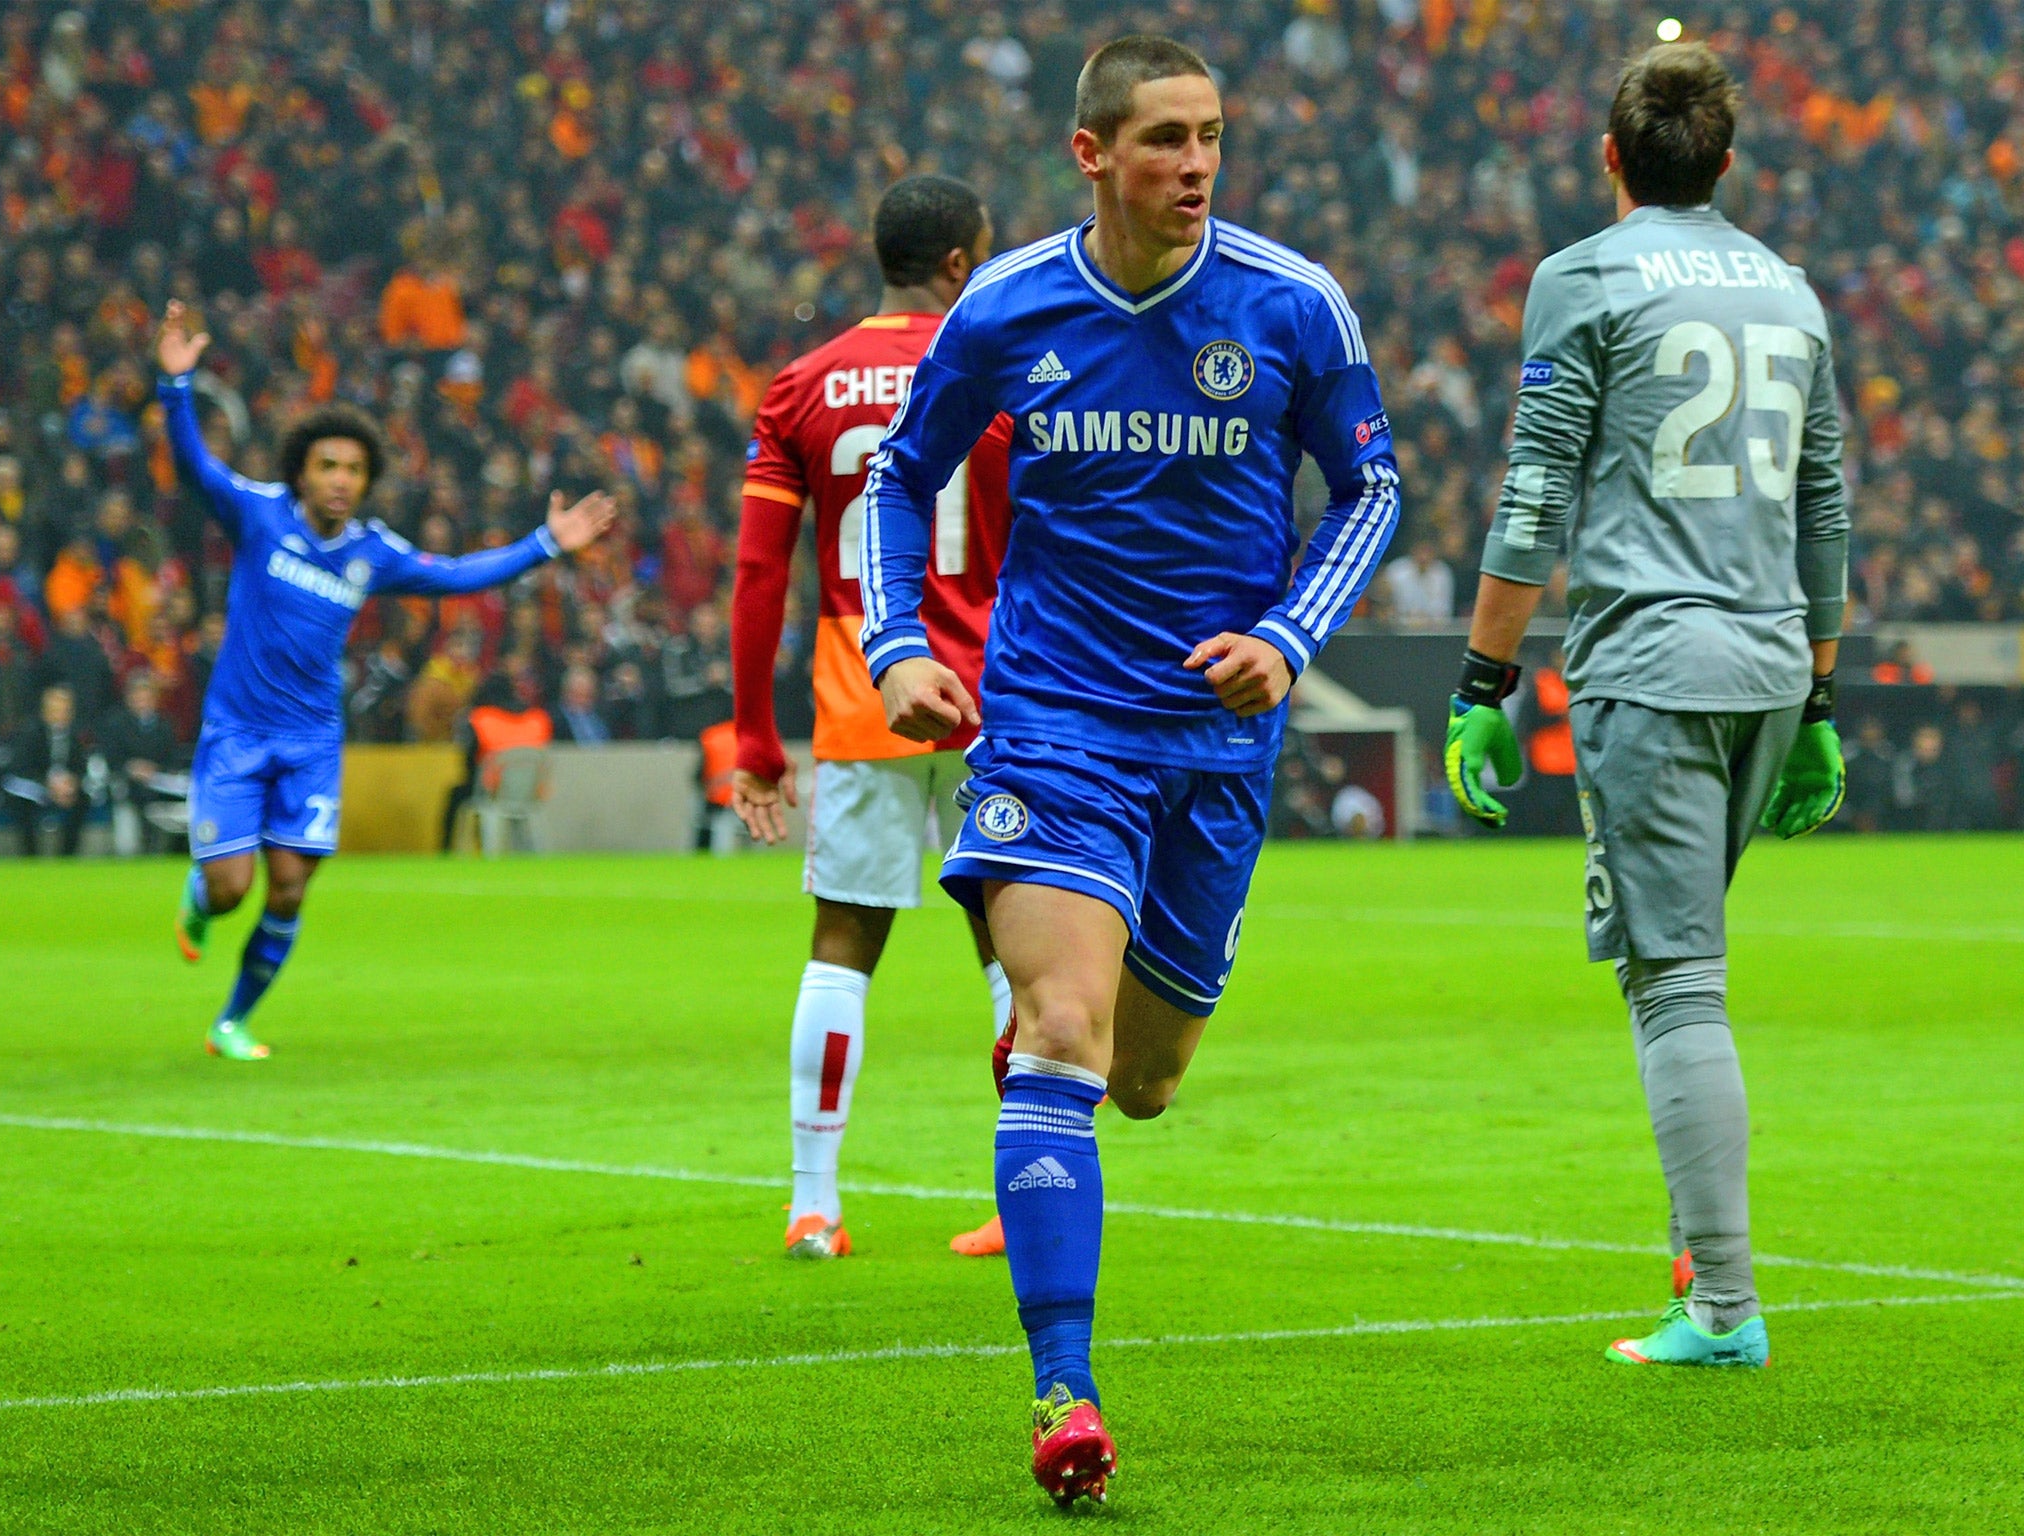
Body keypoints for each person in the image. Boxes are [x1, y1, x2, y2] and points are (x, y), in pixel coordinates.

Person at [861, 39, 1398, 1504]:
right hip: (1051, 724)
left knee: (1146, 1082)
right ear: (1092, 153)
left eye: (1213, 136)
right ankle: (1064, 1391)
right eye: (1165, 139)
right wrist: (897, 642)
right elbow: (902, 475)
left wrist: (1288, 635)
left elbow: (1372, 487)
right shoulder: (1012, 303)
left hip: (1218, 748)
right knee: (1061, 1032)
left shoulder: (1292, 303)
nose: (1198, 165)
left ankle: (1063, 1060)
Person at [1443, 44, 1848, 1371]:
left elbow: (1534, 493)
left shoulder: (1586, 277)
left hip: (1656, 670)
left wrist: (1482, 683)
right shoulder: (1791, 293)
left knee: (1678, 984)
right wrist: (1828, 697)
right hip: (1774, 665)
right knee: (1683, 969)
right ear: (1728, 167)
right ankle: (1699, 1256)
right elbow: (1824, 503)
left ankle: (1725, 1309)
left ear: (1608, 159)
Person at [155, 301, 615, 1061]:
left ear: (367, 480)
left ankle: (231, 1022)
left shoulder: (373, 553)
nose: (340, 480)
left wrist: (545, 543)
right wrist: (176, 386)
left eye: (354, 469)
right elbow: (197, 468)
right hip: (236, 734)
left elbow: (461, 575)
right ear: (302, 469)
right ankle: (201, 901)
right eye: (327, 466)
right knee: (233, 888)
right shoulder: (259, 517)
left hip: (309, 740)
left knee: (293, 887)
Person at [730, 174, 1016, 1262]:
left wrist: (756, 738)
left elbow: (761, 577)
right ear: (957, 264)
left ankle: (814, 1204)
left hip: (865, 695)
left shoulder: (802, 385)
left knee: (842, 948)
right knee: (1012, 953)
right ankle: (1018, 1197)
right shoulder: (1001, 371)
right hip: (995, 694)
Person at [96, 669, 185, 855]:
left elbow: (172, 758)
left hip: (159, 785)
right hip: (128, 785)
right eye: (137, 696)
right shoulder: (115, 724)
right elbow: (110, 757)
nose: (142, 701)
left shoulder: (165, 725)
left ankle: (166, 846)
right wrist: (131, 768)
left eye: (146, 697)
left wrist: (155, 770)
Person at [3, 683, 91, 855]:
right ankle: (31, 856)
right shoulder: (30, 732)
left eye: (65, 710)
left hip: (64, 787)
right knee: (21, 802)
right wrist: (48, 785)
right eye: (56, 710)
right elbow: (22, 768)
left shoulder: (75, 736)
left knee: (83, 799)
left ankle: (67, 856)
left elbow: (81, 767)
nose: (61, 715)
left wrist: (71, 782)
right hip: (36, 786)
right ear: (45, 711)